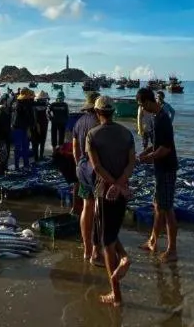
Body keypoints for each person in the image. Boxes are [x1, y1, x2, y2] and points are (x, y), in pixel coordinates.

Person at [85, 96, 135, 307]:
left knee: (106, 242)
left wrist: (112, 184)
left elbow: (96, 167)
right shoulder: (126, 133)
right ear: (113, 112)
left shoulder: (92, 135)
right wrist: (121, 184)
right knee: (111, 231)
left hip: (104, 191)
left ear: (97, 113)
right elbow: (132, 162)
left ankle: (116, 292)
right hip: (122, 191)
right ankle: (123, 257)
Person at [135, 88, 179, 262]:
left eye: (141, 105)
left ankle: (172, 250)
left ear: (147, 102)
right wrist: (144, 153)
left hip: (167, 168)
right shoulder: (155, 118)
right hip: (160, 168)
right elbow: (156, 145)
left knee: (167, 209)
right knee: (157, 204)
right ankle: (153, 241)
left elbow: (165, 149)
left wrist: (148, 159)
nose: (142, 109)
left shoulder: (163, 119)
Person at [72, 91, 101, 263]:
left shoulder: (79, 122)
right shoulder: (98, 123)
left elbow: (75, 148)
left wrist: (79, 164)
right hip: (96, 170)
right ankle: (96, 250)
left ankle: (87, 249)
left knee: (86, 206)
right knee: (98, 209)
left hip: (82, 168)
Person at [10, 88, 35, 171]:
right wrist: (29, 129)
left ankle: (17, 166)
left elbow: (12, 116)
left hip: (15, 128)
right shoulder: (27, 104)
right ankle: (26, 165)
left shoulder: (15, 103)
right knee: (25, 147)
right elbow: (29, 118)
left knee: (17, 148)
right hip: (23, 128)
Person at [0, 94, 12, 176]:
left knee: (4, 156)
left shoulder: (4, 110)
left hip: (4, 136)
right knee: (0, 157)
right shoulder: (0, 111)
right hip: (0, 137)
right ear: (4, 101)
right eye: (7, 100)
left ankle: (3, 172)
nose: (9, 102)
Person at [32, 91, 50, 161]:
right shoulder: (44, 105)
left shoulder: (35, 105)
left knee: (36, 143)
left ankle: (37, 158)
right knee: (41, 143)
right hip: (42, 126)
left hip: (38, 126)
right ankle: (40, 156)